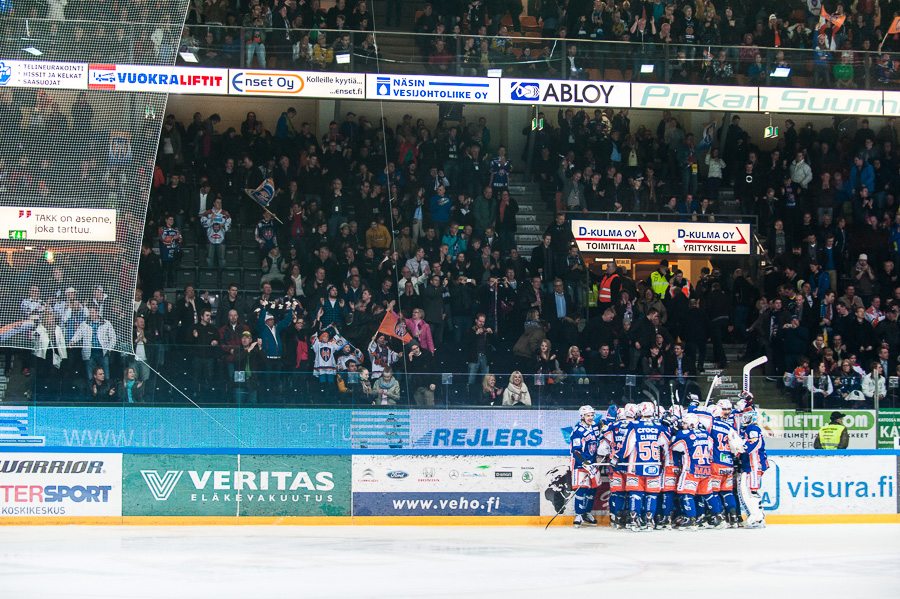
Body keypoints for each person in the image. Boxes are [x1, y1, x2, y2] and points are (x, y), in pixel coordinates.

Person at [622, 401, 668, 531]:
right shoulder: (659, 426)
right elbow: (665, 443)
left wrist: (619, 457)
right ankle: (649, 521)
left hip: (636, 466)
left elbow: (627, 447)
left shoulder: (634, 425)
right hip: (653, 466)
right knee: (651, 495)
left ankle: (634, 520)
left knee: (636, 494)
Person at [670, 412, 713, 530]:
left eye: (684, 423)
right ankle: (717, 516)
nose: (682, 425)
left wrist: (675, 433)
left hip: (692, 469)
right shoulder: (706, 434)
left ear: (691, 425)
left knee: (686, 493)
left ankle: (691, 518)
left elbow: (674, 447)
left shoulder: (685, 435)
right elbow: (710, 446)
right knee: (707, 494)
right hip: (705, 468)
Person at [570, 405, 604, 527]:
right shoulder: (577, 431)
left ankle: (586, 513)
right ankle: (578, 514)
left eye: (591, 415)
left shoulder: (595, 426)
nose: (590, 418)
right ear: (582, 416)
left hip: (593, 464)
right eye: (588, 415)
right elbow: (576, 452)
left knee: (592, 490)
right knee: (582, 489)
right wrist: (585, 463)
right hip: (580, 465)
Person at [738, 409, 769, 529]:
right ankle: (757, 516)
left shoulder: (753, 429)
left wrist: (743, 447)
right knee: (750, 491)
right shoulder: (746, 430)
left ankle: (758, 518)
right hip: (751, 465)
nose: (744, 420)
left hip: (755, 465)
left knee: (752, 491)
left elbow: (755, 443)